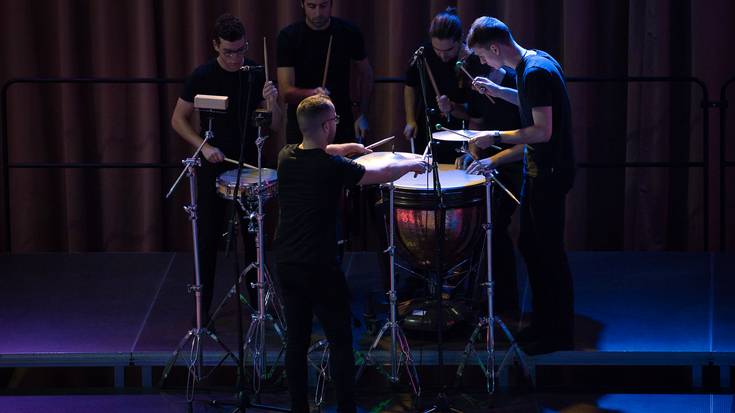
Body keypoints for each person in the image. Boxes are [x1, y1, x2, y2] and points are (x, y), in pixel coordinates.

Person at [275, 95, 426, 413]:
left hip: (287, 261)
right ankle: (346, 408)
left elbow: (323, 150)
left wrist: (349, 147)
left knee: (296, 341)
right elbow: (382, 173)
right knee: (340, 340)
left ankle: (298, 408)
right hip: (319, 265)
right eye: (335, 122)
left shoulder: (286, 156)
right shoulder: (332, 168)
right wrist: (413, 164)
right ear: (327, 125)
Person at [465, 16, 576, 354]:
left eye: (483, 57)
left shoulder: (535, 72)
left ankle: (557, 331)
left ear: (495, 48)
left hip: (550, 172)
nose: (483, 63)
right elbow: (532, 103)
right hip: (540, 170)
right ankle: (545, 322)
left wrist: (493, 137)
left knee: (547, 251)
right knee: (530, 243)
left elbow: (542, 131)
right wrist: (499, 91)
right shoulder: (536, 62)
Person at [170, 13, 282, 324]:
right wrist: (203, 147)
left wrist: (272, 103)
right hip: (213, 162)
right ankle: (201, 309)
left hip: (248, 162)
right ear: (215, 46)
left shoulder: (256, 72)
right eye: (228, 52)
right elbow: (177, 119)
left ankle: (259, 305)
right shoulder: (202, 75)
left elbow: (276, 126)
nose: (235, 58)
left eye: (241, 50)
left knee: (254, 238)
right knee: (207, 238)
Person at [456, 61, 524, 315]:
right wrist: (472, 153)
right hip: (488, 163)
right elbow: (476, 126)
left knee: (495, 227)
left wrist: (492, 160)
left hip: (515, 165)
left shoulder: (516, 84)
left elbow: (531, 139)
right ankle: (472, 299)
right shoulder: (479, 83)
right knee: (475, 228)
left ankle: (505, 305)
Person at [277, 0, 373, 144]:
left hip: (339, 119)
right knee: (305, 166)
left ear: (331, 4)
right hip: (303, 123)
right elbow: (285, 92)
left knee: (341, 165)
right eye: (312, 6)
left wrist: (362, 113)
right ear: (302, 5)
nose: (318, 13)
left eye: (323, 6)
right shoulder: (289, 37)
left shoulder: (348, 32)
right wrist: (313, 94)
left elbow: (366, 74)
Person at [403, 7, 471, 162]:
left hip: (463, 130)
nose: (442, 55)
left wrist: (452, 107)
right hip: (429, 126)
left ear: (460, 40)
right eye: (437, 49)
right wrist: (410, 120)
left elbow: (476, 112)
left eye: (448, 50)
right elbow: (410, 86)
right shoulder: (424, 54)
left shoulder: (472, 60)